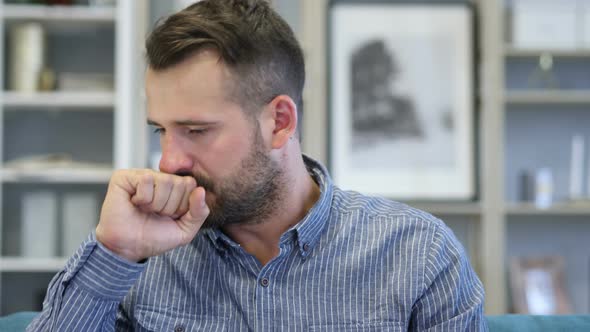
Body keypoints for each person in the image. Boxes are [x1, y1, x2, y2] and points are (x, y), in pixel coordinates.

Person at [28, 0, 487, 331]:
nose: (169, 160)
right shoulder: (144, 259)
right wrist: (115, 252)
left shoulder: (418, 257)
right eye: (160, 131)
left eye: (197, 130)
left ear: (279, 122)